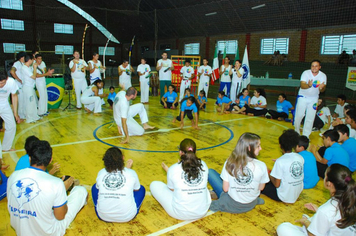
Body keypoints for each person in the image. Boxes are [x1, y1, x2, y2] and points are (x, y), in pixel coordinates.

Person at [7, 140, 88, 236]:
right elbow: (60, 216)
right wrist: (62, 191)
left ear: (29, 158)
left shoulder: (13, 176)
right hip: (48, 232)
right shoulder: (56, 184)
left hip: (21, 230)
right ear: (50, 160)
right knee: (81, 191)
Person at [277, 164, 356, 236]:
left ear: (329, 184)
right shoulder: (350, 198)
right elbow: (336, 217)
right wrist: (318, 211)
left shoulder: (327, 210)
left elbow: (313, 235)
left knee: (283, 228)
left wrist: (306, 222)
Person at [150, 138, 211, 220]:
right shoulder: (203, 165)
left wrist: (169, 172)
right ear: (195, 152)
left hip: (181, 214)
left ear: (180, 152)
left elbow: (172, 190)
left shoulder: (174, 168)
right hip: (202, 211)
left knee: (154, 184)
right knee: (204, 187)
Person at [208, 132, 269, 213]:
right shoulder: (262, 165)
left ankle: (215, 192)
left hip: (232, 203)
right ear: (249, 148)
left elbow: (225, 189)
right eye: (258, 146)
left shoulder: (230, 162)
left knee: (210, 172)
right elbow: (261, 188)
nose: (260, 148)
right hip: (251, 203)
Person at [92, 147, 145, 222]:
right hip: (126, 216)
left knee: (95, 187)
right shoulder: (131, 173)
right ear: (123, 158)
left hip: (103, 216)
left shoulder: (101, 172)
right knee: (141, 189)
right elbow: (136, 189)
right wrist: (127, 169)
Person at [261, 129, 304, 203]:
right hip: (296, 194)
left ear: (280, 145)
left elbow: (277, 185)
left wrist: (268, 173)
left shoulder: (280, 161)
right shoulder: (300, 157)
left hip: (282, 196)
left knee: (261, 182)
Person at [294, 60, 327, 138]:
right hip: (303, 97)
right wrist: (308, 85)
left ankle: (306, 135)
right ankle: (296, 132)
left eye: (316, 66)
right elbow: (302, 85)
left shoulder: (323, 76)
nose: (314, 67)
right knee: (299, 115)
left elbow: (323, 89)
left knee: (310, 117)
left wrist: (322, 88)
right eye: (312, 66)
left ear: (319, 67)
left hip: (314, 99)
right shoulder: (306, 73)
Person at [0, 72, 20, 161]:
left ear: (7, 79)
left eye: (3, 82)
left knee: (11, 126)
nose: (1, 85)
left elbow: (14, 96)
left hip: (4, 104)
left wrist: (15, 113)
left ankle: (6, 147)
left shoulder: (11, 82)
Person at [21, 54, 41, 123]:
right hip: (27, 88)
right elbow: (34, 76)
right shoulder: (24, 68)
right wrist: (35, 68)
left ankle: (34, 116)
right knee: (29, 103)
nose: (33, 61)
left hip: (31, 87)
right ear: (29, 60)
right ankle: (29, 118)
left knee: (33, 103)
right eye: (32, 60)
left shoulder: (28, 67)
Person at [10, 51, 26, 119]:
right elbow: (12, 71)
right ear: (22, 57)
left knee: (24, 100)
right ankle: (19, 115)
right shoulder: (16, 64)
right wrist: (18, 79)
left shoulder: (23, 64)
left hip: (23, 85)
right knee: (20, 100)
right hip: (18, 85)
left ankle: (23, 114)